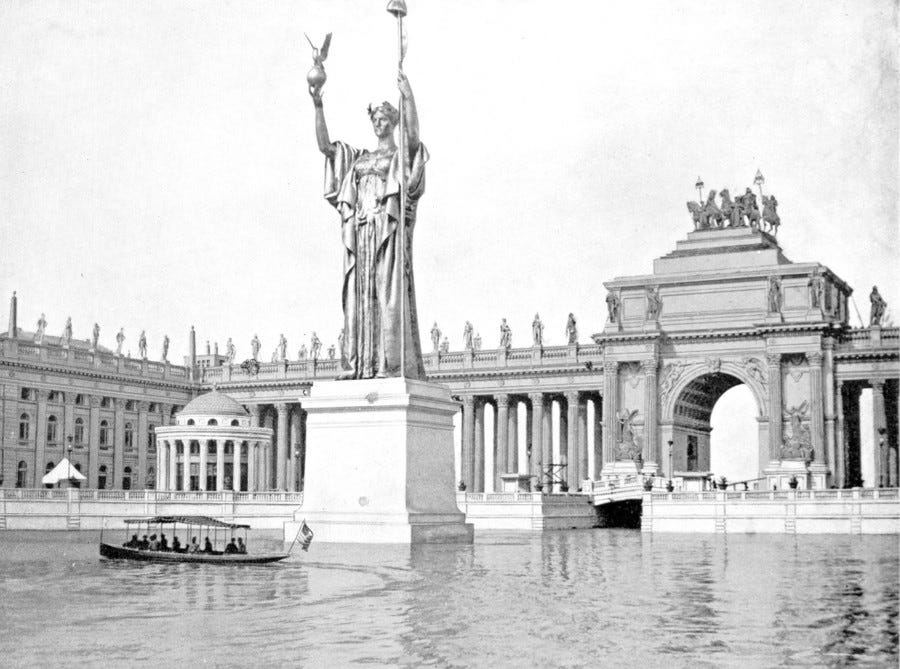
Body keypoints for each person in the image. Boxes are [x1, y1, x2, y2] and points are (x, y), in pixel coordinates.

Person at [312, 65, 428, 380]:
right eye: (374, 119)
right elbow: (325, 147)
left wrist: (408, 98)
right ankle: (359, 365)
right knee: (359, 299)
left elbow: (414, 142)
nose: (378, 123)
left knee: (387, 296)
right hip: (362, 232)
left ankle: (387, 365)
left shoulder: (399, 157)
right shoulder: (358, 158)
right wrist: (317, 103)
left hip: (386, 234)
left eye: (384, 119)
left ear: (393, 123)